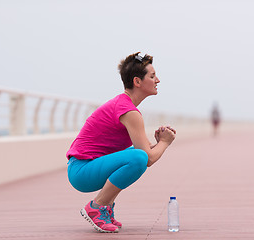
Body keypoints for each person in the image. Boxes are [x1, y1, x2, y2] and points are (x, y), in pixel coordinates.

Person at [66, 52, 176, 233]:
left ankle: (106, 207)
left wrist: (157, 143)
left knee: (136, 154)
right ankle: (97, 207)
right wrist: (165, 143)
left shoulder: (125, 106)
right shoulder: (129, 111)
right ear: (137, 82)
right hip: (82, 171)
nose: (158, 80)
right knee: (137, 158)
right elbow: (147, 159)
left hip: (85, 167)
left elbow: (145, 150)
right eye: (152, 76)